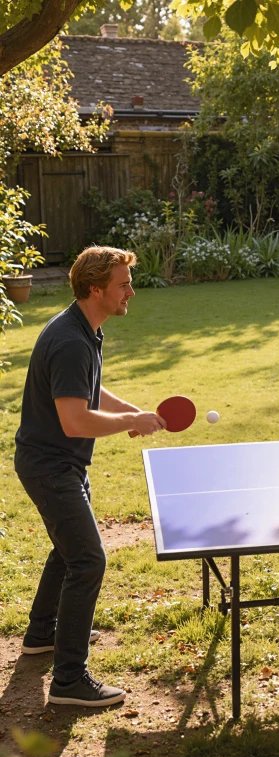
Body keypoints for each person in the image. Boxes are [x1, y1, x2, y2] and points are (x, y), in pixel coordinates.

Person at [14, 246, 165, 707]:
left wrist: (131, 411)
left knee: (68, 552)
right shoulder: (71, 340)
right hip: (51, 466)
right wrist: (129, 425)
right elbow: (75, 420)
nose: (131, 291)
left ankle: (43, 633)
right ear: (95, 288)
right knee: (88, 561)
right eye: (123, 284)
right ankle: (69, 681)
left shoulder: (82, 328)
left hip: (60, 463)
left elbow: (87, 387)